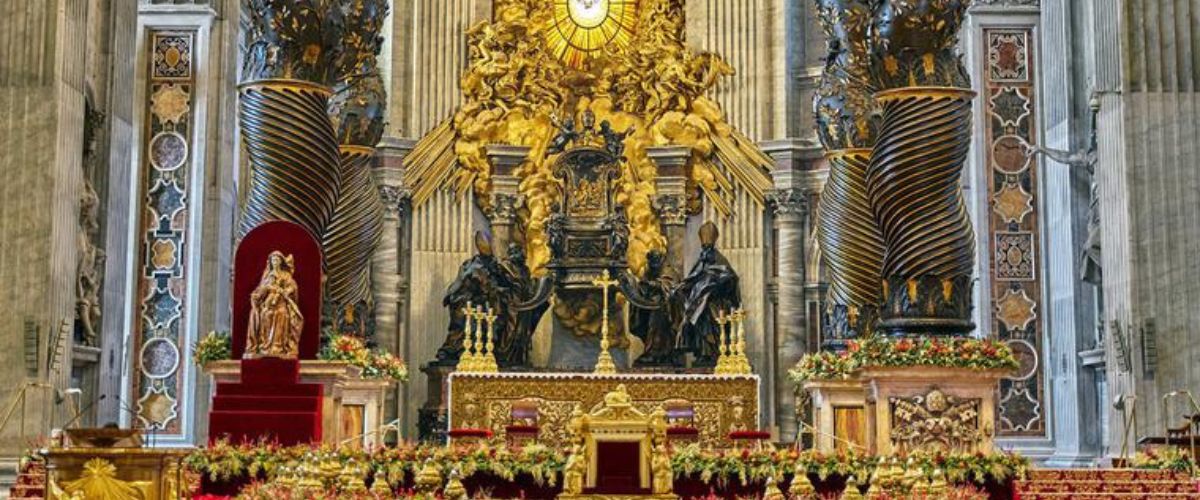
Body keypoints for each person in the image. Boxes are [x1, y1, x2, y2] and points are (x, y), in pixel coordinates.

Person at [673, 222, 741, 366]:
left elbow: (731, 278)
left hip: (716, 303)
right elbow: (692, 279)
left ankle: (714, 352)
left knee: (711, 320)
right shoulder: (701, 262)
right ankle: (703, 354)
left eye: (707, 247)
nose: (705, 250)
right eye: (703, 247)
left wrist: (716, 285)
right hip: (700, 303)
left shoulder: (720, 260)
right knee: (698, 318)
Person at [245, 251, 304, 359]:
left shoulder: (286, 275)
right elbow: (260, 290)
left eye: (277, 260)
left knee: (282, 314)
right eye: (273, 260)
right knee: (266, 315)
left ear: (281, 261)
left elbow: (293, 287)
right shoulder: (267, 276)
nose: (275, 262)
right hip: (268, 305)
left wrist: (286, 291)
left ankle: (278, 346)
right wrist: (258, 295)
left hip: (282, 304)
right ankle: (265, 345)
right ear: (270, 262)